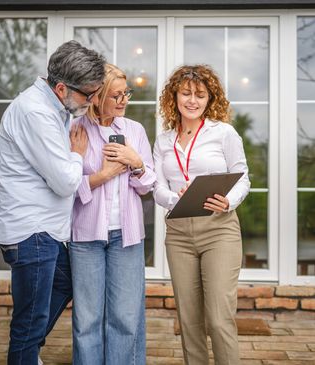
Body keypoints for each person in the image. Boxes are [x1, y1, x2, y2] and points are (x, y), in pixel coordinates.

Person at [0, 40, 106, 365]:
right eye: (88, 94)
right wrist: (76, 154)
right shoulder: (36, 113)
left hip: (45, 234)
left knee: (66, 282)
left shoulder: (57, 110)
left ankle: (29, 350)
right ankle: (25, 354)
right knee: (27, 323)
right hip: (32, 234)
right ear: (61, 87)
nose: (92, 100)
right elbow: (66, 181)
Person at [153, 64, 250, 365]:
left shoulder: (223, 134)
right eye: (186, 93)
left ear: (210, 99)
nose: (192, 101)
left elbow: (243, 176)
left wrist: (229, 201)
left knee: (219, 318)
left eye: (200, 95)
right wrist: (173, 198)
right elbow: (157, 187)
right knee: (189, 321)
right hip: (179, 234)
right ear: (174, 96)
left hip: (219, 230)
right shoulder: (163, 141)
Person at [69, 64, 156, 365]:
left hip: (127, 235)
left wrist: (137, 163)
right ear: (96, 97)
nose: (123, 101)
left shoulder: (134, 131)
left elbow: (147, 187)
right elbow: (66, 186)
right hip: (85, 235)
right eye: (115, 95)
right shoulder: (76, 130)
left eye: (126, 94)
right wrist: (103, 175)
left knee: (126, 317)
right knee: (88, 319)